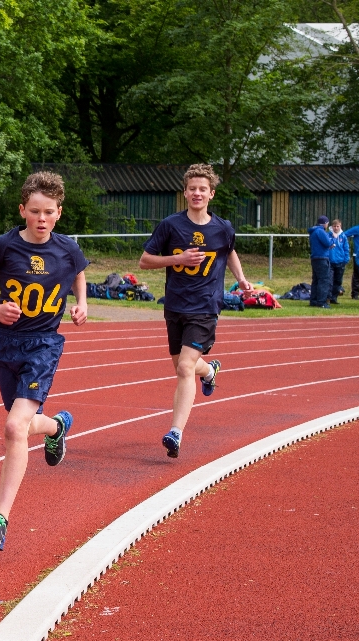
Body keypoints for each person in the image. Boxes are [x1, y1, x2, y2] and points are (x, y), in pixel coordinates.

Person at [0, 171, 88, 552]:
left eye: (48, 212)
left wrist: (82, 302)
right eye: (34, 211)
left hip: (44, 345)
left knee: (14, 427)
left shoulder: (67, 249)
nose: (40, 218)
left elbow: (79, 271)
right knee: (23, 426)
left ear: (58, 214)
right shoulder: (3, 246)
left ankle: (0, 518)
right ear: (22, 210)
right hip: (6, 344)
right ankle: (55, 428)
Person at [138, 164, 253, 459]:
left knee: (185, 367)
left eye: (203, 189)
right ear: (185, 192)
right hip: (175, 304)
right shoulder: (171, 225)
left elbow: (229, 251)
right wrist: (179, 258)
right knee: (183, 365)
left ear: (211, 193)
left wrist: (240, 279)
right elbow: (145, 261)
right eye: (192, 189)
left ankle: (175, 432)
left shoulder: (222, 227)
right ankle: (210, 370)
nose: (197, 193)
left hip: (206, 306)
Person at [308, 215, 335, 309]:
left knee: (315, 280)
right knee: (324, 280)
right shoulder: (320, 231)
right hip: (322, 257)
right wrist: (332, 241)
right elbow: (327, 243)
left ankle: (314, 300)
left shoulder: (313, 231)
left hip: (315, 257)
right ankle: (321, 302)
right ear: (325, 223)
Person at [328, 219, 350, 305]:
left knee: (338, 281)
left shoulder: (343, 236)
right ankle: (328, 297)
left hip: (340, 261)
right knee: (330, 280)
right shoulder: (328, 235)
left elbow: (346, 248)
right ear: (332, 227)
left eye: (338, 226)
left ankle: (334, 297)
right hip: (330, 261)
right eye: (334, 226)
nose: (336, 228)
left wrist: (346, 259)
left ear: (340, 226)